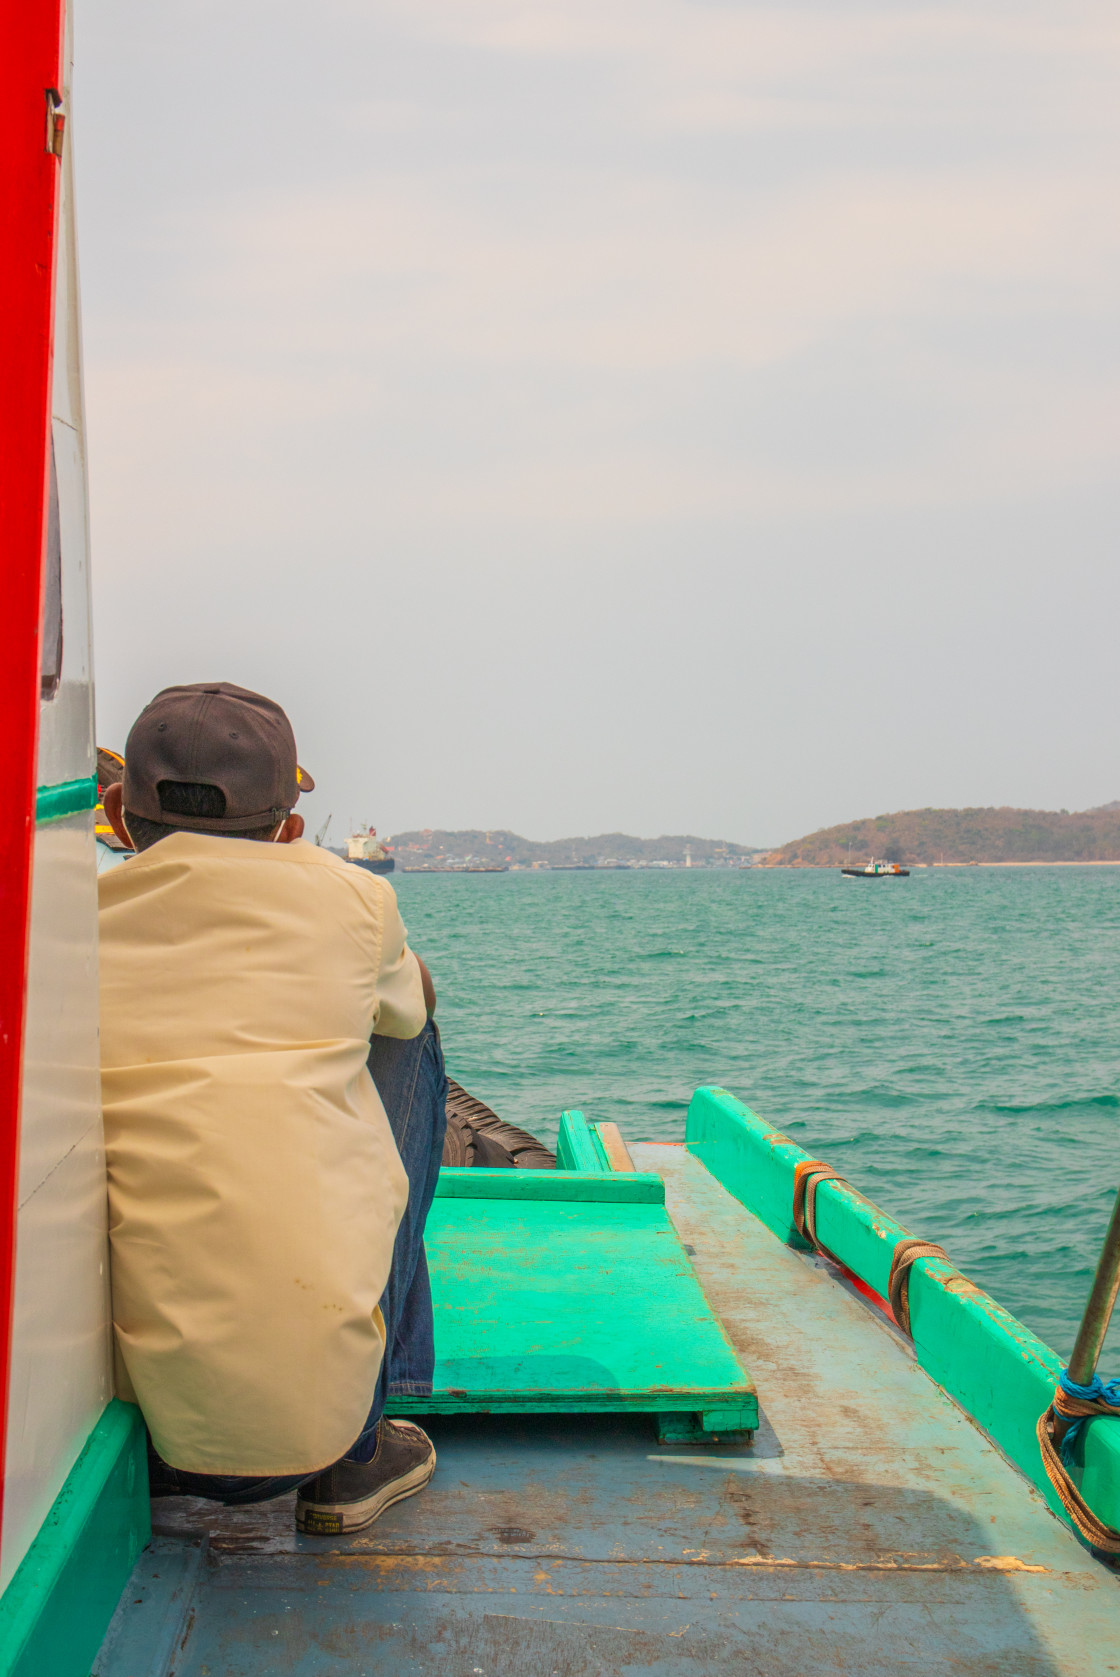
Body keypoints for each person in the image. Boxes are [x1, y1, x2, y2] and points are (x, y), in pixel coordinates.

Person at [98, 681, 447, 1534]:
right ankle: (361, 1449)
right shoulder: (356, 899)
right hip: (313, 1431)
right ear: (290, 826)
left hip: (147, 1439)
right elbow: (416, 1003)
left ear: (118, 813)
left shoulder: (76, 924)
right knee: (413, 1038)